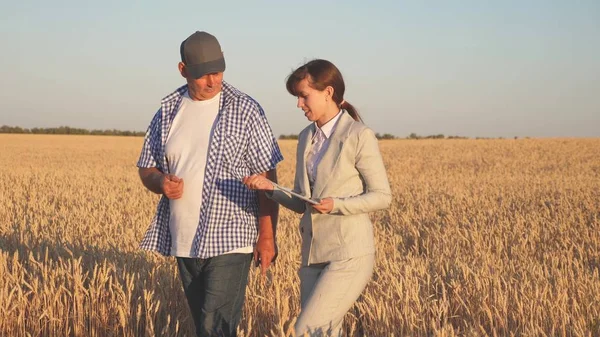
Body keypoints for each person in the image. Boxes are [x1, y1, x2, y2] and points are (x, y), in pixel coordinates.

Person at [136, 31, 283, 337]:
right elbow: (147, 167)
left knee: (214, 327)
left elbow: (268, 178)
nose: (213, 81)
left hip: (231, 236)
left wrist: (267, 236)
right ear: (183, 70)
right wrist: (160, 182)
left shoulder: (246, 109)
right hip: (184, 238)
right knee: (205, 326)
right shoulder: (167, 111)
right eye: (203, 75)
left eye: (217, 72)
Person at [243, 59, 392, 336]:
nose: (299, 104)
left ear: (328, 92)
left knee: (305, 330)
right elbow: (302, 203)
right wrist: (269, 187)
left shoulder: (359, 135)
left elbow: (382, 196)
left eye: (303, 95)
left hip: (348, 255)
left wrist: (338, 205)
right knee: (324, 333)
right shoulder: (305, 137)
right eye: (298, 97)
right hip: (311, 255)